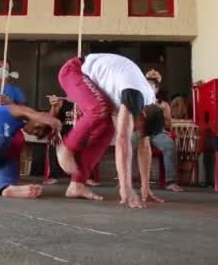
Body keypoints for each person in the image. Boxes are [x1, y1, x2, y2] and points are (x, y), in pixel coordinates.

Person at [56, 54, 165, 208]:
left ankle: (77, 184)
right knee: (100, 110)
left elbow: (144, 147)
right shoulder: (134, 96)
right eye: (136, 126)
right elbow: (122, 141)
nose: (133, 129)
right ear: (143, 114)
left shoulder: (149, 104)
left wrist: (145, 187)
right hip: (74, 71)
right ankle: (67, 148)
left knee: (108, 129)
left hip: (92, 82)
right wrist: (126, 188)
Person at [132, 69, 183, 192]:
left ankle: (170, 181)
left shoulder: (163, 104)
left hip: (157, 133)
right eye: (146, 86)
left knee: (169, 144)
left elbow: (169, 125)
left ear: (156, 89)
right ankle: (130, 179)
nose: (149, 89)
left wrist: (163, 113)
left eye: (152, 86)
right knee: (129, 141)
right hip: (140, 132)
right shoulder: (137, 103)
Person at [47, 96, 99, 186]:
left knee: (89, 146)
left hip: (83, 134)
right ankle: (53, 176)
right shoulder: (63, 102)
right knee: (54, 143)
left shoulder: (87, 101)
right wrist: (53, 106)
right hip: (65, 135)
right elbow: (51, 119)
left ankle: (88, 177)